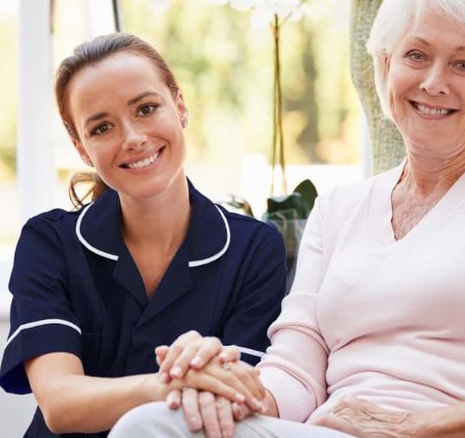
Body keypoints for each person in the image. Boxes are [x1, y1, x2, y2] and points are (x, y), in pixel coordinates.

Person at [109, 0, 465, 437]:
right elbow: (296, 370)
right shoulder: (339, 208)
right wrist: (231, 392)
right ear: (385, 67)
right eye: (416, 55)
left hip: (443, 431)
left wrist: (414, 428)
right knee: (157, 422)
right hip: (325, 430)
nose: (434, 82)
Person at [0, 33, 287, 437]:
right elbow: (60, 403)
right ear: (82, 148)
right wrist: (169, 383)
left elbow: (243, 395)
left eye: (147, 108)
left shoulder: (255, 248)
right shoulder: (49, 243)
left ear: (180, 106)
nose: (133, 138)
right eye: (102, 127)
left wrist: (208, 379)